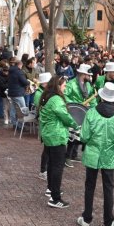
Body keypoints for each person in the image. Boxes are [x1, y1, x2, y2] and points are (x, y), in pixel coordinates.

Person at [77, 82, 114, 226]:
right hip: (109, 155)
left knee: (89, 186)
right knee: (108, 189)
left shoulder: (91, 112)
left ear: (102, 97)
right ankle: (108, 223)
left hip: (92, 154)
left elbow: (84, 136)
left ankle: (86, 219)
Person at [39, 76, 77, 208]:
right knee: (57, 166)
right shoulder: (56, 99)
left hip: (49, 134)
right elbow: (65, 116)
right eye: (64, 86)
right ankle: (55, 198)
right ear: (58, 86)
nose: (65, 88)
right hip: (56, 135)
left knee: (51, 164)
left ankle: (51, 189)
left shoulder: (47, 97)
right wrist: (75, 124)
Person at [63, 64, 96, 166]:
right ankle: (67, 157)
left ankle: (74, 154)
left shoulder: (88, 85)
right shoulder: (71, 84)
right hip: (74, 113)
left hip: (85, 112)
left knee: (82, 134)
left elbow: (92, 97)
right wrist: (76, 104)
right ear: (83, 74)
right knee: (73, 136)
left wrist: (95, 108)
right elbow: (65, 96)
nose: (89, 76)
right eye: (88, 74)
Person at [7, 58, 30, 127]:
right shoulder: (19, 72)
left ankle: (14, 123)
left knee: (14, 108)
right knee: (23, 108)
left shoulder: (10, 71)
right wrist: (28, 82)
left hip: (12, 92)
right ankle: (22, 124)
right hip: (18, 92)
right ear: (20, 65)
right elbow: (24, 81)